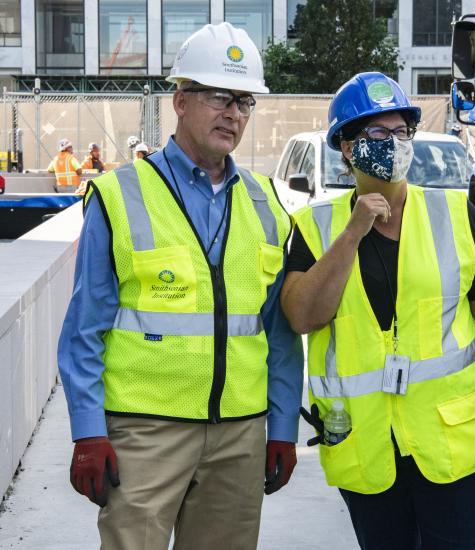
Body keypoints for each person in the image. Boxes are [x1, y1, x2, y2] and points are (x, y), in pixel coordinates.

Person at [57, 22, 303, 549]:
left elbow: (278, 332)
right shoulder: (120, 196)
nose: (233, 114)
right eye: (220, 97)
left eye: (244, 102)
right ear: (181, 101)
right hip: (145, 432)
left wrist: (282, 426)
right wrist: (87, 430)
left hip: (240, 432)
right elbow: (85, 328)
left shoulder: (265, 202)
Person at [282, 72, 475, 550]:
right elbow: (302, 316)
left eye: (401, 133)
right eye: (377, 135)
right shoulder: (315, 226)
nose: (393, 145)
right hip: (366, 446)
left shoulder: (457, 216)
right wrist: (354, 231)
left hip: (450, 445)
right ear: (346, 147)